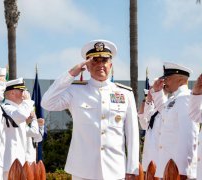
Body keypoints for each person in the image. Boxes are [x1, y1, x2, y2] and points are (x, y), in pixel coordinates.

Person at [41, 39, 139, 179]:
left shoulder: (125, 94)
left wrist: (132, 168)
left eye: (104, 60)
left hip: (115, 170)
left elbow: (132, 134)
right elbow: (47, 103)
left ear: (110, 64)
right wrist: (70, 74)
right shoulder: (75, 91)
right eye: (94, 61)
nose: (100, 65)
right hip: (83, 171)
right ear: (86, 66)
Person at [152, 62, 198, 179]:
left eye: (167, 78)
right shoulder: (175, 99)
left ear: (180, 80)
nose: (165, 82)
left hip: (178, 170)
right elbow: (163, 112)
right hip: (169, 168)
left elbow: (189, 135)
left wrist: (183, 170)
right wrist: (157, 92)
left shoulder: (186, 97)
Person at [2, 78, 35, 179]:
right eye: (21, 91)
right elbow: (21, 115)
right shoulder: (6, 107)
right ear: (12, 93)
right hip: (9, 162)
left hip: (18, 160)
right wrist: (28, 101)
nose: (24, 94)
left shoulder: (16, 109)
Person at [138, 81, 166, 172]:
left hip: (160, 161)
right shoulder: (154, 112)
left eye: (153, 91)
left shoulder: (167, 109)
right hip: (149, 160)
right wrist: (148, 101)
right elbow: (144, 123)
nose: (151, 93)